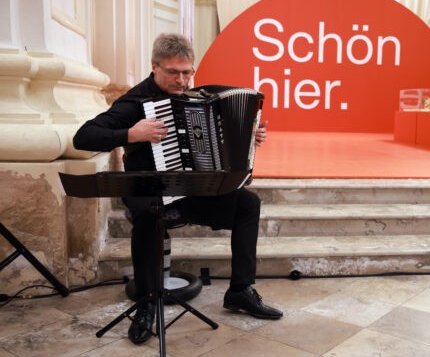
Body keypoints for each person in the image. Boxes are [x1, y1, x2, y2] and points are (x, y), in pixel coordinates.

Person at [73, 33, 282, 345]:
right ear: (155, 67)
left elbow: (218, 144)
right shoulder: (135, 102)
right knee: (147, 215)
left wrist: (250, 137)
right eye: (174, 72)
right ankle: (145, 303)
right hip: (146, 185)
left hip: (188, 189)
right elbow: (83, 137)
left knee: (247, 205)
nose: (182, 80)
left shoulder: (198, 98)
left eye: (188, 72)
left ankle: (240, 290)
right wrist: (131, 133)